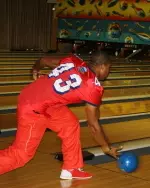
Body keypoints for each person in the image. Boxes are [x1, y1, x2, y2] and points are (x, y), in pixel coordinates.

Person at [0, 51, 122, 179]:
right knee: (21, 154)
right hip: (32, 108)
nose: (109, 71)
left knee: (70, 124)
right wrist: (106, 147)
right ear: (102, 66)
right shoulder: (93, 88)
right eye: (109, 68)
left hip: (42, 101)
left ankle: (71, 168)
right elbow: (93, 124)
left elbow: (44, 60)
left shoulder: (73, 61)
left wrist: (35, 69)